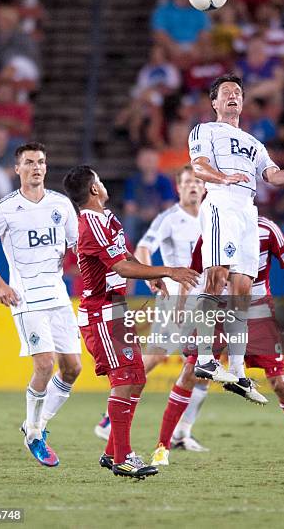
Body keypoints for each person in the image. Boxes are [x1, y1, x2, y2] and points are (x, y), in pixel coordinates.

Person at [151, 218, 284, 467]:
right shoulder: (212, 232)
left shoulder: (267, 230)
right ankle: (162, 447)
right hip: (217, 313)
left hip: (257, 314)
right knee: (190, 372)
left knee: (279, 382)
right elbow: (192, 273)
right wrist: (181, 309)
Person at [62, 165, 199, 479]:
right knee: (125, 378)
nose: (103, 182)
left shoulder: (105, 218)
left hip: (116, 310)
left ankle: (113, 452)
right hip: (101, 313)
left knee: (136, 376)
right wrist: (168, 271)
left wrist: (151, 278)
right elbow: (122, 268)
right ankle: (123, 457)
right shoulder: (90, 224)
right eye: (98, 179)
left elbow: (126, 258)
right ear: (94, 189)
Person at [187, 74, 284, 392]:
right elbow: (198, 166)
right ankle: (205, 358)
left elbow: (270, 174)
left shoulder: (254, 143)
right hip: (221, 201)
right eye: (226, 92)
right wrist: (223, 177)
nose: (233, 96)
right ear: (214, 102)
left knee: (243, 290)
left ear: (243, 102)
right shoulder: (204, 130)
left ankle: (236, 370)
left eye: (237, 93)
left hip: (248, 209)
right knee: (217, 276)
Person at [0, 142, 82, 468]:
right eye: (30, 163)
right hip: (26, 297)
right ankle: (34, 433)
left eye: (41, 162)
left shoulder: (61, 205)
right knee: (45, 364)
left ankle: (37, 423)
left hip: (58, 296)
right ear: (17, 169)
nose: (36, 167)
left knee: (73, 368)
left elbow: (79, 247)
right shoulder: (4, 208)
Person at [94, 165, 210, 452]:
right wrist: (153, 277)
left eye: (197, 182)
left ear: (204, 187)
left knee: (203, 367)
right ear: (178, 187)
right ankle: (109, 417)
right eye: (187, 182)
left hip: (206, 301)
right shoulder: (169, 218)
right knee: (153, 359)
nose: (193, 186)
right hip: (175, 302)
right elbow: (145, 247)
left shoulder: (211, 218)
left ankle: (183, 432)